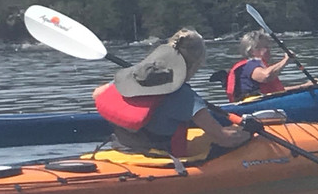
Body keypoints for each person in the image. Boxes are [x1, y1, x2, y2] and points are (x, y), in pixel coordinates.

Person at [95, 28, 251, 157]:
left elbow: (98, 93)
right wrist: (250, 133)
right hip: (157, 157)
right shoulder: (186, 97)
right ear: (195, 65)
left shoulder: (134, 79)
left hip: (122, 147)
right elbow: (224, 139)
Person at [224, 30, 317, 103]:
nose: (268, 50)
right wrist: (286, 60)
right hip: (254, 106)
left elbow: (277, 91)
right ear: (252, 51)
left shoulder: (259, 65)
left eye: (268, 46)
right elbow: (266, 76)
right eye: (264, 47)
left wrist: (304, 87)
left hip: (264, 103)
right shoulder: (249, 65)